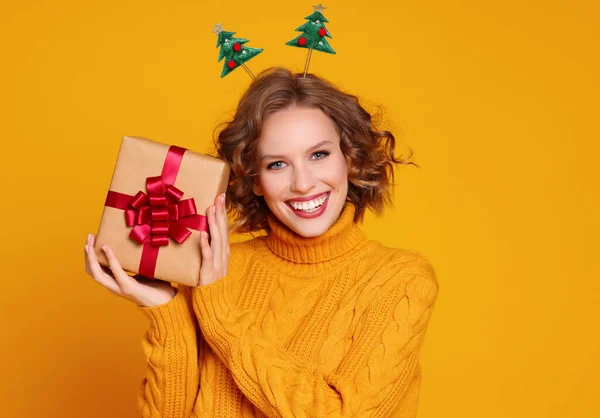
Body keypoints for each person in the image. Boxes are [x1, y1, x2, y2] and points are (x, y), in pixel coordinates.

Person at [84, 67, 439, 417]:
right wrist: (167, 309)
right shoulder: (214, 268)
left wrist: (220, 313)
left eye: (319, 155)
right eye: (277, 164)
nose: (302, 183)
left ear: (350, 157)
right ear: (254, 180)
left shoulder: (401, 279)